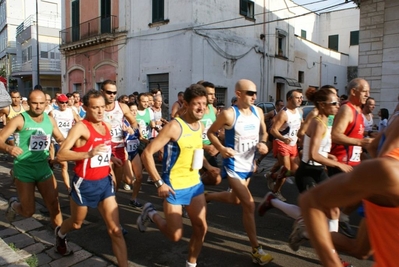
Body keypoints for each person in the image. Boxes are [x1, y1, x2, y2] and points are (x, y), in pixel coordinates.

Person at [257, 87, 352, 254]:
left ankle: (272, 200)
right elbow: (314, 153)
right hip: (307, 171)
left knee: (334, 210)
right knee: (316, 214)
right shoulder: (316, 121)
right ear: (322, 105)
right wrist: (338, 164)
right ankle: (331, 255)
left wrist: (329, 155)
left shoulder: (328, 119)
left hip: (319, 170)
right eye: (335, 102)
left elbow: (320, 145)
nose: (339, 105)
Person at [299, 121, 399, 267]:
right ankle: (310, 230)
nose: (335, 106)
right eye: (332, 103)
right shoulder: (325, 118)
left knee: (360, 251)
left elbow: (373, 146)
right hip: (315, 169)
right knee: (330, 211)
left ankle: (309, 232)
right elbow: (311, 200)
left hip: (368, 180)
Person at [138, 84, 216, 267]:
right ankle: (151, 213)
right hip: (173, 186)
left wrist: (207, 167)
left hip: (195, 185)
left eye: (204, 104)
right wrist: (159, 183)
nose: (201, 108)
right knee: (175, 235)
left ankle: (191, 264)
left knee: (201, 228)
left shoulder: (199, 125)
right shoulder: (174, 127)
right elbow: (147, 153)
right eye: (197, 104)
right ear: (186, 105)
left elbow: (195, 150)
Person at [55, 90, 128, 265]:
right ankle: (60, 234)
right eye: (95, 108)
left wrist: (112, 158)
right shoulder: (81, 127)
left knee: (115, 230)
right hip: (84, 183)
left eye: (102, 107)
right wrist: (88, 154)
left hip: (104, 182)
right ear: (85, 107)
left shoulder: (107, 126)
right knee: (76, 223)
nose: (100, 111)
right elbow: (61, 155)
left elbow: (102, 150)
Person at [205, 79, 273, 265]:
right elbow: (211, 132)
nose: (254, 97)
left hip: (249, 165)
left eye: (255, 93)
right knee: (249, 205)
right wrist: (221, 148)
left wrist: (264, 144)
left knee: (236, 199)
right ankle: (256, 250)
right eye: (250, 93)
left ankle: (207, 197)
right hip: (233, 165)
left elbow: (265, 133)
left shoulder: (258, 112)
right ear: (238, 94)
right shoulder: (228, 114)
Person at [0, 89, 64, 228]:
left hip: (43, 167)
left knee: (54, 206)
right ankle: (14, 205)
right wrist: (8, 148)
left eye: (42, 103)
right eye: (34, 103)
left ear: (46, 104)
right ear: (28, 103)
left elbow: (60, 138)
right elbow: (0, 139)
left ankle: (61, 240)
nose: (38, 106)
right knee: (28, 211)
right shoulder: (20, 119)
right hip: (24, 169)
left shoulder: (50, 119)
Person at [329, 78, 373, 238]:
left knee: (363, 192)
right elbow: (335, 135)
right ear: (353, 92)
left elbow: (356, 142)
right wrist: (361, 141)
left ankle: (341, 218)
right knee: (330, 205)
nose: (368, 95)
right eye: (365, 91)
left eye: (368, 92)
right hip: (340, 163)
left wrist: (367, 158)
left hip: (353, 163)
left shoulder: (359, 111)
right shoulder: (346, 109)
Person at [267, 89, 303, 201]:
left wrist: (301, 137)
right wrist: (283, 138)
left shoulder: (299, 112)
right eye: (297, 97)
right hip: (282, 143)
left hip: (293, 145)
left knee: (295, 171)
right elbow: (273, 130)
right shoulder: (283, 113)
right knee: (286, 170)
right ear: (289, 99)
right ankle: (275, 192)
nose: (300, 100)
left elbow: (301, 125)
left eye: (301, 97)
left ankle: (271, 175)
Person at [101, 80, 137, 190]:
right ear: (102, 92)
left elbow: (134, 123)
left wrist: (131, 129)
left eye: (114, 92)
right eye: (109, 92)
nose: (112, 95)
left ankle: (109, 201)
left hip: (119, 147)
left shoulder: (122, 107)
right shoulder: (98, 107)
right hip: (104, 148)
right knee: (110, 181)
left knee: (117, 185)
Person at [48, 94, 81, 191]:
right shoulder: (53, 113)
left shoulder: (71, 111)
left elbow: (79, 123)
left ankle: (52, 161)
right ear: (57, 103)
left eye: (66, 102)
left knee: (78, 162)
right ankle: (69, 188)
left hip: (70, 141)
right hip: (58, 142)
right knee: (64, 165)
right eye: (62, 102)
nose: (64, 104)